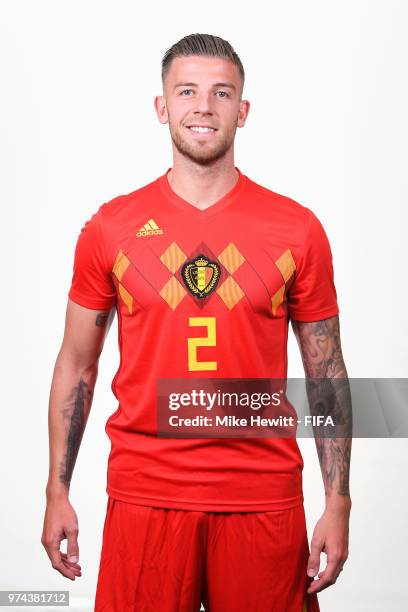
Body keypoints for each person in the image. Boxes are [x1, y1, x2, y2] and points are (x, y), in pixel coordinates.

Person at [41, 33, 352, 611]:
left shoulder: (297, 229)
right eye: (187, 92)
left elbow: (326, 375)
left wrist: (338, 503)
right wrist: (57, 488)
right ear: (162, 108)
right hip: (146, 497)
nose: (203, 107)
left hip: (263, 499)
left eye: (221, 93)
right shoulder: (112, 228)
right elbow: (77, 366)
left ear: (243, 109)